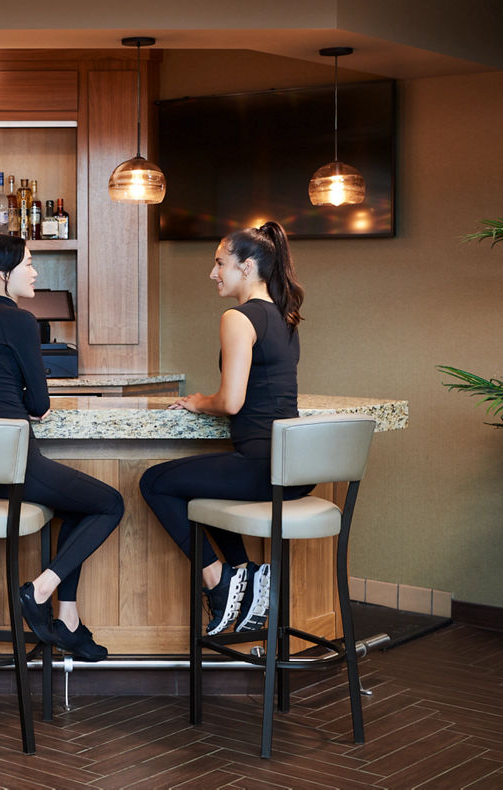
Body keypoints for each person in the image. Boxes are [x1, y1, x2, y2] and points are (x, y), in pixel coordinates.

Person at [0, 235, 123, 661]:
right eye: (28, 264)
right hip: (12, 466)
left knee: (78, 509)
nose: (36, 272)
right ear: (3, 275)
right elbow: (40, 404)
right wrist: (32, 402)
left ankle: (68, 622)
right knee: (110, 504)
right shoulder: (19, 320)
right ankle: (39, 590)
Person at [139, 220, 309, 636]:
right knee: (200, 484)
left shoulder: (239, 317)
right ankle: (245, 573)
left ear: (247, 267)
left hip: (262, 466)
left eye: (219, 263)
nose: (213, 273)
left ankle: (218, 580)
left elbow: (230, 400)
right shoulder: (285, 318)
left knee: (154, 483)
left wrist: (198, 402)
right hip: (296, 469)